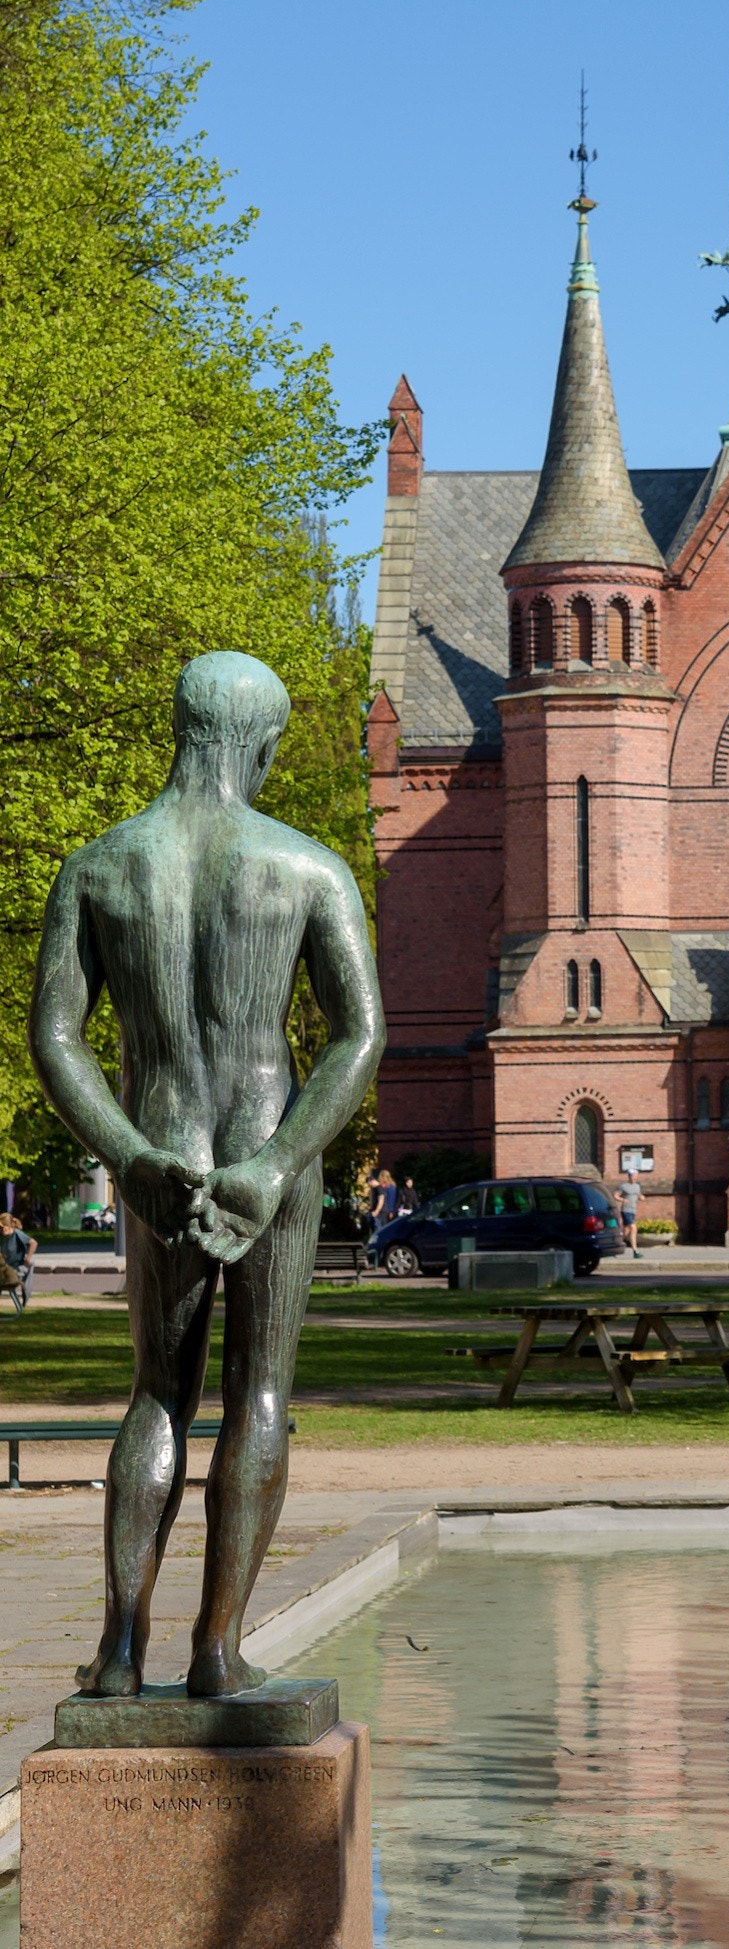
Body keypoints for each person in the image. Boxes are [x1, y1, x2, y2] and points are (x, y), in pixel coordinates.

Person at [29, 651, 384, 1698]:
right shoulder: (309, 867)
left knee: (155, 1397)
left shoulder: (101, 866)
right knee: (260, 1393)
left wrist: (129, 1153)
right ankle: (218, 1651)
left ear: (180, 733)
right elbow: (358, 1039)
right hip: (268, 1154)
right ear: (262, 745)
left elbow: (58, 1038)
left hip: (160, 1152)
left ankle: (119, 1650)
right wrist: (277, 1161)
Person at [0, 1211, 37, 1308]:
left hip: (14, 1271)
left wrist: (28, 1258)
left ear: (10, 1225)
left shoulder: (17, 1234)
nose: (2, 1229)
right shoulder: (5, 1238)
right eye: (1, 1227)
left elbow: (33, 1243)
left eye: (4, 1226)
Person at [617, 1173, 642, 1258]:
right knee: (633, 1228)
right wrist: (622, 1199)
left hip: (633, 1210)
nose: (634, 1178)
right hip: (626, 1210)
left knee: (626, 1231)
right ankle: (635, 1251)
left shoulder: (637, 1186)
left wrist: (641, 1197)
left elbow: (638, 1195)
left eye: (635, 1176)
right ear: (629, 1177)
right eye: (633, 1176)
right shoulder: (624, 1186)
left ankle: (617, 1244)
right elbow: (615, 1195)